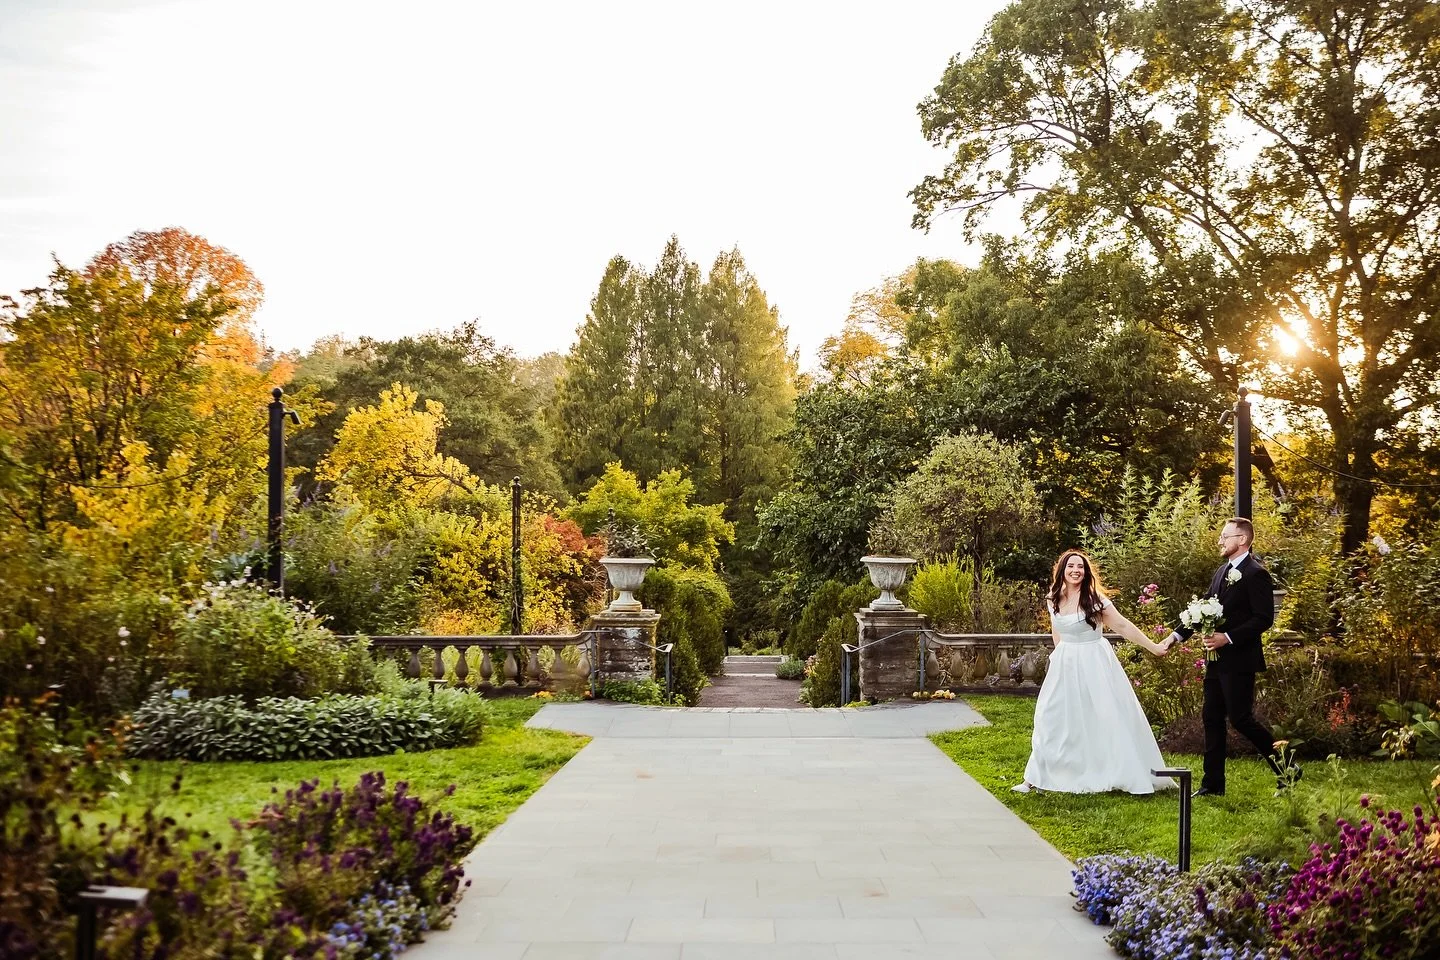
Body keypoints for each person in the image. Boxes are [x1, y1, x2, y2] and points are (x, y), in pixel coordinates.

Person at [1013, 550, 1175, 795]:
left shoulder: (1095, 599)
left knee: (1103, 715)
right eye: (1071, 566)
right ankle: (1034, 777)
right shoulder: (1053, 598)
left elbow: (1122, 625)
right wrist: (1060, 657)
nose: (1075, 570)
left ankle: (1114, 770)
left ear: (1086, 572)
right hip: (1065, 664)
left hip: (1093, 662)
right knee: (1051, 718)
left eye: (1080, 566)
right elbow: (1057, 632)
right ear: (1062, 571)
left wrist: (1153, 647)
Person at [1164, 517, 1299, 797]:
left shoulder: (1255, 573)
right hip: (1216, 662)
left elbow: (1263, 619)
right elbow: (1201, 609)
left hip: (1240, 660)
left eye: (1225, 537)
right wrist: (1175, 637)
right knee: (1211, 717)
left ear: (1242, 540)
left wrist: (1228, 637)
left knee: (1241, 719)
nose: (1220, 541)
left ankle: (1288, 769)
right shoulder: (1220, 572)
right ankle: (1212, 785)